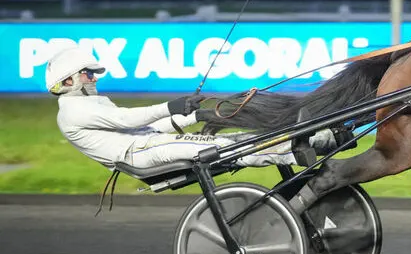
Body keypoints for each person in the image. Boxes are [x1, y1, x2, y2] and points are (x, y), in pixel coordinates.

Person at [45, 46, 348, 172]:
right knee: (223, 148)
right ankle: (300, 150)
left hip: (146, 144)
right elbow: (127, 120)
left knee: (236, 140)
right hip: (140, 153)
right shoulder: (72, 111)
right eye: (88, 73)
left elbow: (144, 129)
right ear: (68, 80)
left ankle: (319, 141)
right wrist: (170, 105)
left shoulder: (88, 103)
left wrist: (192, 115)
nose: (94, 77)